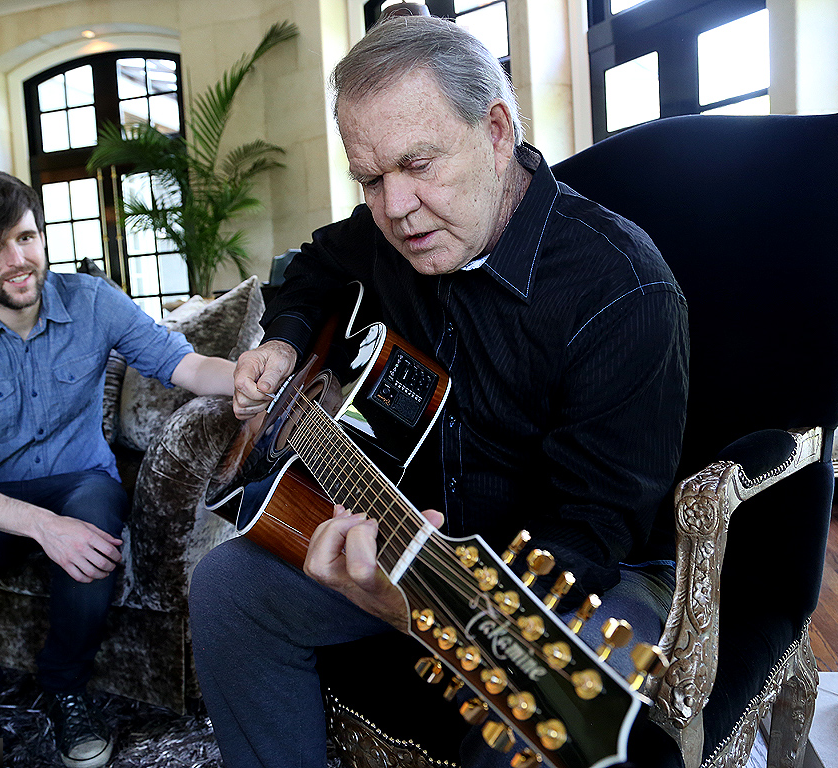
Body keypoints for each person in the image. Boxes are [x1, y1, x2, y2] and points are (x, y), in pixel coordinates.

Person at [189, 15, 689, 768]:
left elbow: (591, 534)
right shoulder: (392, 230)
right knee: (226, 585)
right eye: (369, 177)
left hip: (588, 573)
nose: (393, 209)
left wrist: (426, 604)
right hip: (411, 531)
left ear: (494, 131)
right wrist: (285, 341)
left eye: (419, 163)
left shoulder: (624, 289)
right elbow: (311, 266)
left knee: (532, 736)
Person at [0, 169, 236, 768]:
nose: (18, 258)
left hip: (79, 480)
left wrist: (253, 374)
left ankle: (66, 689)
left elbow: (181, 365)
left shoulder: (91, 299)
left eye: (26, 237)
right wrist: (42, 526)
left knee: (97, 515)